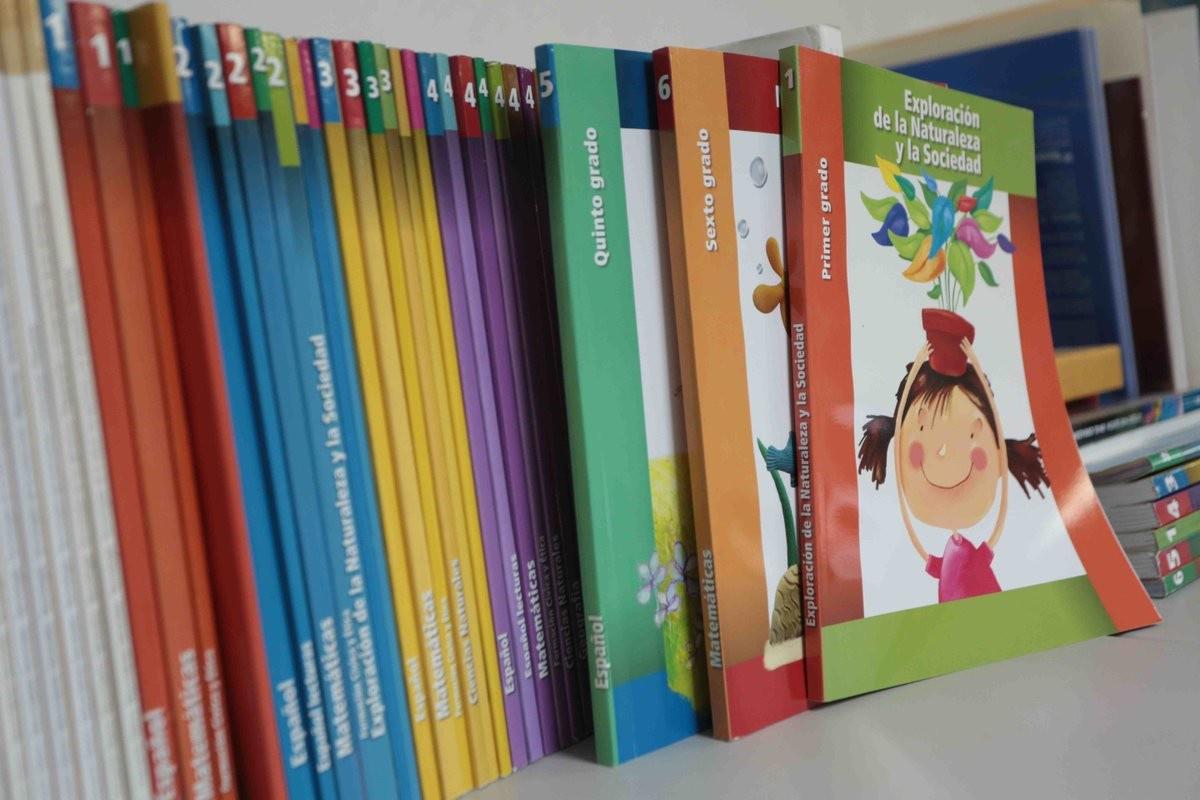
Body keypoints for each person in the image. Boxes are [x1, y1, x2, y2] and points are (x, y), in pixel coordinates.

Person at [857, 338, 1047, 602]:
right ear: (897, 449)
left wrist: (975, 362)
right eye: (923, 430)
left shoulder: (971, 556)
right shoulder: (893, 547)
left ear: (998, 456)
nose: (944, 452)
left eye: (971, 434)